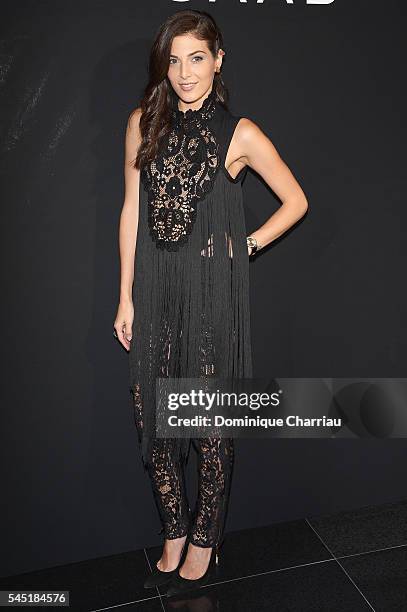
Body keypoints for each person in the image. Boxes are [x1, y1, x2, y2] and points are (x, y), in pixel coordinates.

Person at [114, 9, 308, 597]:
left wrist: (244, 246)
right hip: (154, 291)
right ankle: (173, 529)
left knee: (206, 424)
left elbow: (296, 201)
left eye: (196, 57)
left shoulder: (239, 133)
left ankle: (205, 537)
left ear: (218, 60)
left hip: (211, 299)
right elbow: (130, 211)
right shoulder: (141, 123)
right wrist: (124, 295)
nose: (184, 72)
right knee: (153, 418)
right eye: (173, 60)